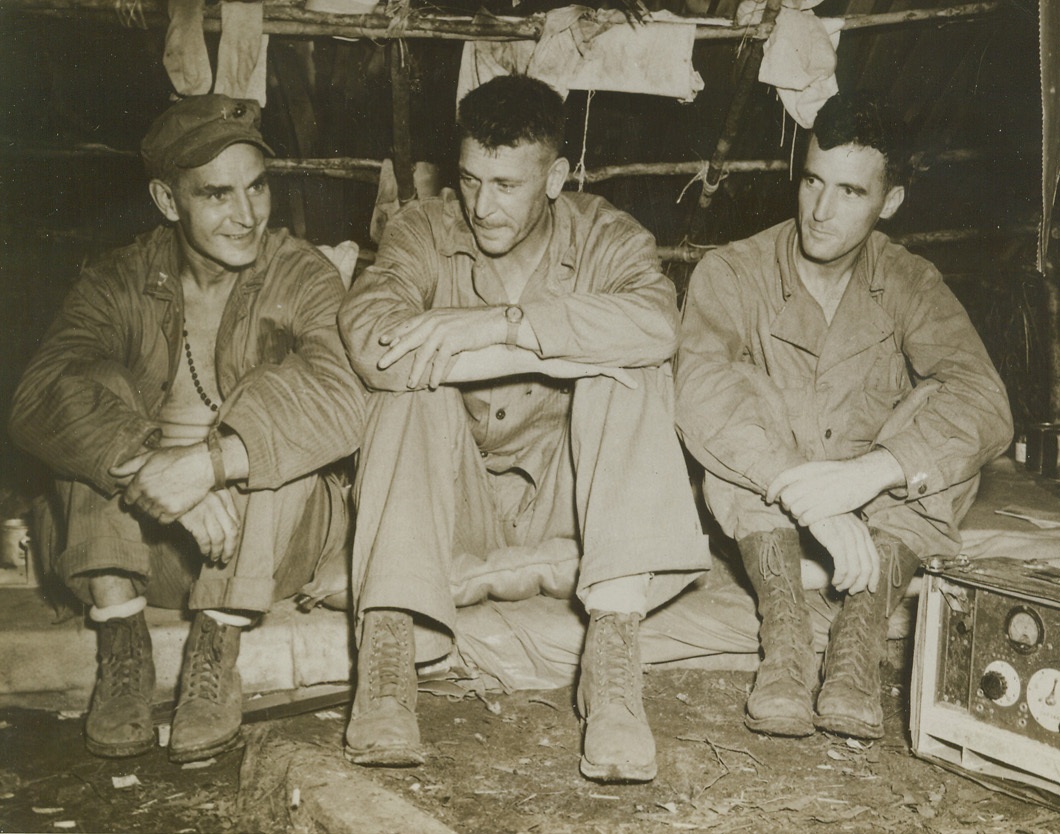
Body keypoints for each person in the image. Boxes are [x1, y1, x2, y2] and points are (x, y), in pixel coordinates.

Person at [338, 74, 709, 783]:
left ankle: (614, 667)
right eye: (472, 180)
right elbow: (373, 338)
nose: (483, 206)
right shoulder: (423, 228)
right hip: (454, 506)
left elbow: (658, 325)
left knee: (626, 372)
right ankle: (387, 658)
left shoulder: (604, 233)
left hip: (577, 507)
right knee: (409, 388)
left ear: (556, 177)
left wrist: (498, 326)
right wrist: (527, 345)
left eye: (508, 185)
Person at [9, 95, 365, 763]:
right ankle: (122, 642)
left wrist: (206, 464)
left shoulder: (299, 272)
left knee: (275, 393)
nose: (247, 215)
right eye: (217, 194)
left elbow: (343, 399)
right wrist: (148, 460)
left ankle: (215, 648)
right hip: (140, 553)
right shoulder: (118, 278)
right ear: (167, 201)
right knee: (89, 397)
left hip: (267, 551)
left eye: (257, 187)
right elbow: (35, 398)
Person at [675, 92, 1013, 740]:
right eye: (812, 182)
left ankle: (859, 640)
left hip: (876, 514)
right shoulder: (733, 272)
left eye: (850, 192)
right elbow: (698, 390)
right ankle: (787, 637)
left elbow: (986, 401)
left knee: (945, 434)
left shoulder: (911, 281)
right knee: (732, 415)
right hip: (773, 503)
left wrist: (869, 475)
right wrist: (811, 499)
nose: (821, 212)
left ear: (889, 203)